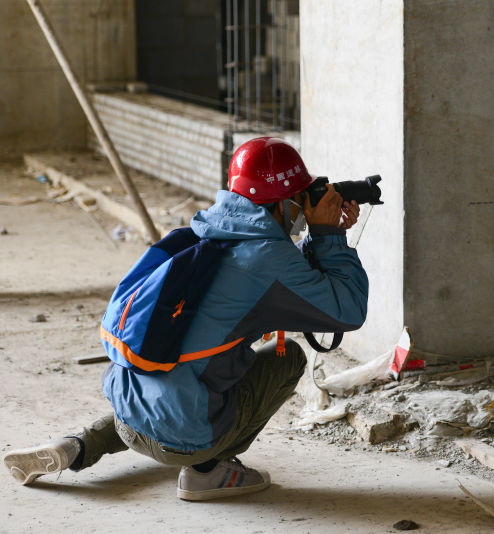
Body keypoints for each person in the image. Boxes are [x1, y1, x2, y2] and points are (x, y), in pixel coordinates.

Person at [4, 137, 368, 501]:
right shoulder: (268, 258)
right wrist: (329, 237)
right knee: (287, 358)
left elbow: (279, 274)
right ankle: (207, 470)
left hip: (127, 413)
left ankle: (77, 445)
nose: (304, 206)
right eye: (299, 197)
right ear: (282, 203)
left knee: (167, 392)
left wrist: (321, 238)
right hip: (186, 438)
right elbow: (348, 310)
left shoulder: (213, 228)